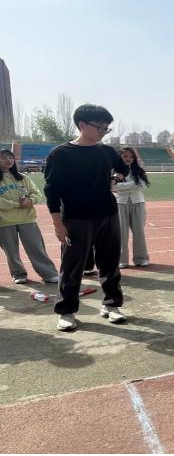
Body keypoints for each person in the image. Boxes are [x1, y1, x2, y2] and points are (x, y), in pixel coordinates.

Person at [44, 104, 130, 332]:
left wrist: (116, 177)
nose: (103, 132)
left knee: (110, 263)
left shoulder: (107, 151)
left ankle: (111, 304)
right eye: (99, 127)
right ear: (82, 125)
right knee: (72, 266)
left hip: (108, 214)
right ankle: (66, 311)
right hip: (76, 218)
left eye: (106, 128)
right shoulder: (61, 154)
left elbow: (123, 168)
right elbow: (52, 191)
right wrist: (58, 224)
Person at [0, 149, 58, 285]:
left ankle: (49, 274)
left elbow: (36, 193)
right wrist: (17, 204)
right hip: (4, 221)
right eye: (4, 157)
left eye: (11, 157)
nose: (9, 160)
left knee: (36, 247)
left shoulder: (22, 178)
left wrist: (30, 201)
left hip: (27, 219)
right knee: (11, 251)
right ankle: (18, 274)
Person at [112, 147, 150, 269]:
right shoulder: (113, 171)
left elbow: (143, 186)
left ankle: (141, 258)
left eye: (131, 157)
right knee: (121, 233)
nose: (128, 159)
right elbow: (112, 187)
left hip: (138, 202)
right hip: (120, 203)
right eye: (125, 156)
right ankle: (122, 260)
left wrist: (121, 186)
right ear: (119, 157)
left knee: (139, 232)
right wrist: (133, 184)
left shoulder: (138, 171)